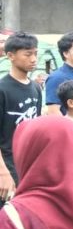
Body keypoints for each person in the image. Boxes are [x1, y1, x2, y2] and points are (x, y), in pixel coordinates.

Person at [0, 31, 42, 193]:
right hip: (7, 165)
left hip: (29, 165)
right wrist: (3, 172)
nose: (33, 59)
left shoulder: (36, 88)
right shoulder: (2, 89)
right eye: (27, 54)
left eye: (35, 54)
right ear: (11, 56)